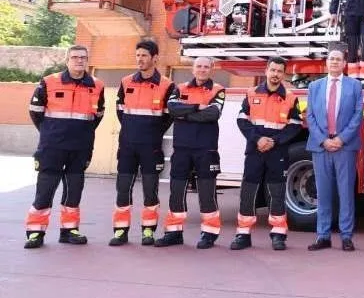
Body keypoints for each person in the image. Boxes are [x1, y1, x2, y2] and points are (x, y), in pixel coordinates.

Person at [24, 45, 105, 248]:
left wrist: (83, 134)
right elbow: (35, 111)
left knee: (74, 191)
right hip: (52, 147)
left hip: (80, 148)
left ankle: (69, 231)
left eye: (83, 57)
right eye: (75, 57)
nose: (79, 61)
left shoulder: (97, 85)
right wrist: (50, 132)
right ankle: (36, 232)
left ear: (87, 61)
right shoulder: (49, 82)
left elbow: (98, 115)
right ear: (67, 60)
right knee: (45, 189)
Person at [230, 57, 303, 251]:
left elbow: (295, 125)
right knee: (248, 192)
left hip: (276, 151)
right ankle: (243, 234)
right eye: (273, 70)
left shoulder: (290, 97)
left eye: (280, 71)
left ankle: (278, 235)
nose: (276, 74)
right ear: (266, 70)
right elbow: (241, 119)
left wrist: (274, 141)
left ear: (283, 74)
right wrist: (258, 139)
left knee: (277, 193)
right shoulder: (252, 92)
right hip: (255, 150)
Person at [153, 57, 227, 249]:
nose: (202, 70)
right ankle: (174, 233)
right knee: (176, 190)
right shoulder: (180, 88)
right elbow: (171, 108)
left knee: (207, 193)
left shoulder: (218, 89)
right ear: (192, 69)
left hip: (206, 149)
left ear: (212, 70)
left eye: (206, 67)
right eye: (199, 66)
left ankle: (209, 234)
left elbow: (212, 114)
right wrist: (196, 107)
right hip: (182, 149)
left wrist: (185, 114)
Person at [109, 40, 175, 247]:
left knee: (150, 190)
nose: (140, 59)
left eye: (144, 55)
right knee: (123, 188)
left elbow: (168, 116)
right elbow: (120, 110)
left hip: (151, 147)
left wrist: (151, 133)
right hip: (127, 145)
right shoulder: (126, 81)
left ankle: (148, 230)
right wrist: (132, 129)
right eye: (138, 55)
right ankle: (120, 231)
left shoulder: (167, 85)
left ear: (155, 58)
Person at [305, 49, 364, 252]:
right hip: (321, 147)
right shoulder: (314, 86)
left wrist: (341, 139)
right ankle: (323, 236)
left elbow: (358, 115)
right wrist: (323, 140)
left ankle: (346, 236)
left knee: (346, 192)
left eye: (338, 59)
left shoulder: (355, 85)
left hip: (345, 147)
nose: (335, 62)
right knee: (323, 193)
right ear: (326, 62)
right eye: (331, 59)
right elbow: (310, 116)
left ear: (344, 63)